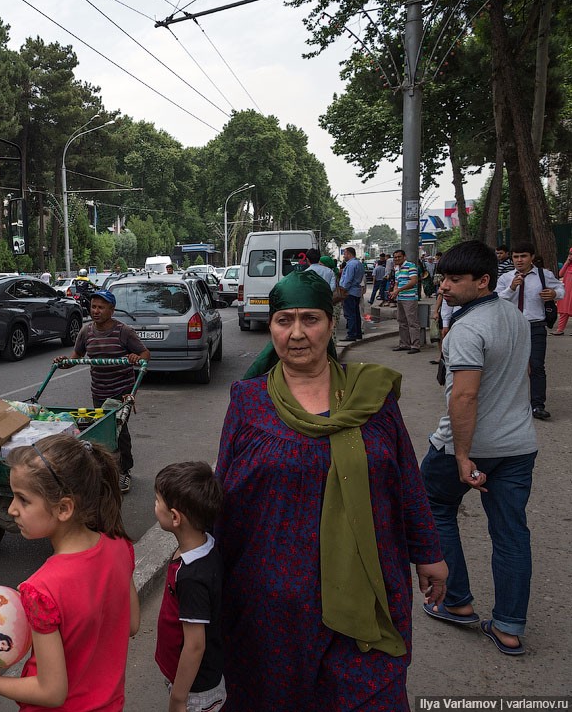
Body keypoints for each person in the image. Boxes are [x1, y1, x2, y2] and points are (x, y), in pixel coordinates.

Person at [214, 269, 446, 711]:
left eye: (310, 319)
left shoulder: (372, 395)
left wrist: (429, 552)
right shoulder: (248, 402)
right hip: (273, 605)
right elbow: (225, 495)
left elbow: (405, 479)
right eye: (285, 320)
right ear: (272, 327)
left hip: (369, 588)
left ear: (331, 322)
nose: (297, 333)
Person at [0, 435, 140, 710]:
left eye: (23, 499)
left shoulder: (40, 590)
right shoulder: (120, 547)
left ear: (64, 508)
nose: (11, 509)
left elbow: (52, 692)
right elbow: (131, 624)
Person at [420, 240, 537, 656]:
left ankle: (457, 601)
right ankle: (508, 628)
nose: (445, 287)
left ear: (484, 281)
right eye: (443, 278)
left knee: (433, 507)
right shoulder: (514, 316)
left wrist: (463, 456)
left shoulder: (468, 329)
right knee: (511, 534)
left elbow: (464, 397)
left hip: (468, 446)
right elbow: (521, 373)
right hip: (519, 444)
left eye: (455, 279)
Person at [55, 289, 150, 493]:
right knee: (101, 431)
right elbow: (77, 355)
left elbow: (145, 354)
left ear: (111, 310)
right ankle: (106, 469)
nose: (96, 311)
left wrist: (136, 357)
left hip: (122, 391)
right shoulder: (86, 331)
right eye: (93, 307)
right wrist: (64, 363)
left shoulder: (124, 331)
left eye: (101, 307)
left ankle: (124, 471)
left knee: (118, 430)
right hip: (99, 390)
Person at [154, 461, 226, 712]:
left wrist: (178, 698)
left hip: (195, 690)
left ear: (175, 517)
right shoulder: (207, 546)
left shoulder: (192, 576)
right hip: (194, 681)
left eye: (156, 501)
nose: (154, 506)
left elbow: (195, 645)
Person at [495, 240, 564, 420]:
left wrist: (554, 294)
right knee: (510, 366)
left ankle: (537, 405)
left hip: (536, 326)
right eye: (516, 256)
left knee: (536, 366)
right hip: (512, 327)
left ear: (531, 257)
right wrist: (511, 288)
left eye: (523, 256)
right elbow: (497, 299)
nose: (519, 260)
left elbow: (560, 287)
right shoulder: (506, 278)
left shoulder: (544, 275)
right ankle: (510, 405)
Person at [389, 249, 422, 354]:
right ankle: (404, 344)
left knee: (412, 322)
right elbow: (397, 282)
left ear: (404, 257)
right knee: (402, 322)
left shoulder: (411, 266)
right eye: (395, 257)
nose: (397, 259)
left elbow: (413, 281)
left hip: (410, 298)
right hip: (400, 298)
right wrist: (395, 291)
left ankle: (415, 345)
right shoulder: (397, 268)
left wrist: (398, 290)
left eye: (399, 257)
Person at [338, 246, 365, 343]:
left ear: (349, 254)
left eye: (344, 254)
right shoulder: (358, 263)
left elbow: (348, 279)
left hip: (349, 292)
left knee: (350, 314)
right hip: (356, 291)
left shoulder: (350, 265)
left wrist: (343, 290)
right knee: (356, 313)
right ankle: (357, 333)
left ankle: (352, 334)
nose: (344, 256)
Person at [554, 247, 572, 335]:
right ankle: (560, 330)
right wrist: (567, 262)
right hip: (567, 292)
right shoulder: (568, 265)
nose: (570, 256)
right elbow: (560, 274)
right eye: (570, 254)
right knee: (564, 311)